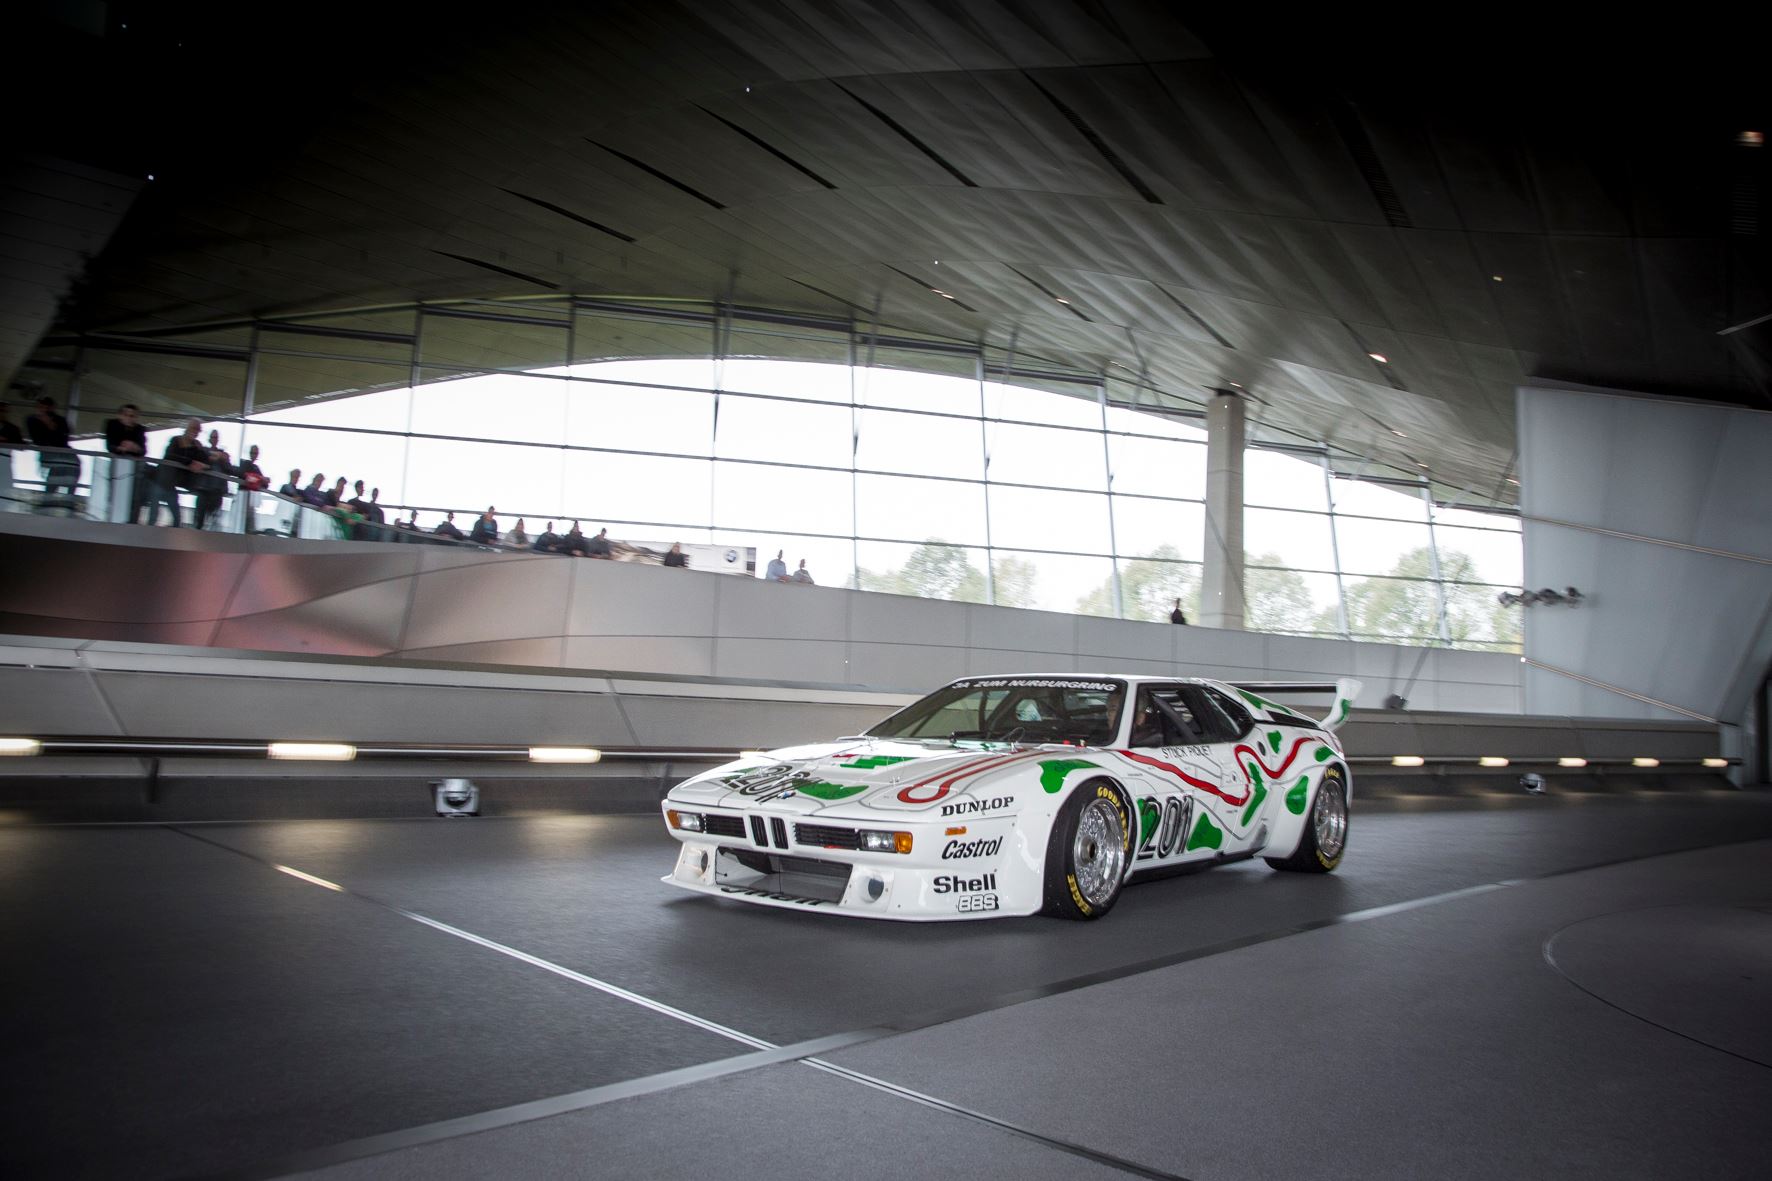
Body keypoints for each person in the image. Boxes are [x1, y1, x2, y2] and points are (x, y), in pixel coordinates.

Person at [148, 419, 208, 527]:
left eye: (198, 430)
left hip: (170, 485)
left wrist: (200, 453)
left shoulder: (195, 447)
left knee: (176, 518)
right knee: (154, 516)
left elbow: (205, 461)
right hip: (161, 481)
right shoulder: (176, 440)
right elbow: (169, 456)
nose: (196, 432)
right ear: (188, 428)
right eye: (194, 429)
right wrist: (189, 462)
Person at [27, 396, 79, 507]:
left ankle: (67, 500)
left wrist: (50, 425)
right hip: (50, 455)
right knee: (55, 474)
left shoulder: (60, 420)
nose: (44, 409)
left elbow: (63, 437)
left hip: (64, 455)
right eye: (41, 406)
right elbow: (38, 440)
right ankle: (49, 501)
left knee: (71, 470)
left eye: (47, 406)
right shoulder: (32, 420)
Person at [103, 404, 149, 521]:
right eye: (126, 415)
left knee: (135, 495)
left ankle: (132, 521)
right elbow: (110, 446)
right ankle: (112, 519)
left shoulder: (139, 429)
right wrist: (123, 448)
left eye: (132, 416)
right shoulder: (112, 425)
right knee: (115, 492)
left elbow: (143, 451)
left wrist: (134, 447)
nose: (129, 418)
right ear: (120, 415)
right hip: (118, 463)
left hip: (134, 466)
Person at [193, 428, 233, 529]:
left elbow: (229, 469)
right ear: (209, 439)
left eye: (215, 437)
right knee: (199, 520)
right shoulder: (204, 451)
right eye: (212, 437)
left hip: (216, 491)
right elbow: (200, 460)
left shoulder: (223, 455)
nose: (214, 439)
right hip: (204, 489)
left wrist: (224, 459)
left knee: (214, 521)